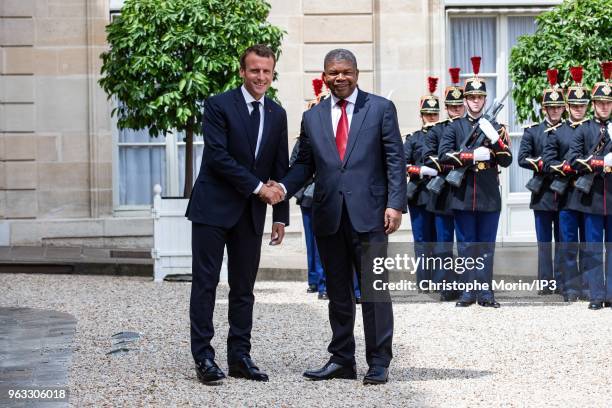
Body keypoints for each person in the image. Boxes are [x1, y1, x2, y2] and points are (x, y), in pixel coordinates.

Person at [276, 48, 406, 385]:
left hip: (372, 215)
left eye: (345, 71)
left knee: (374, 290)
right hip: (329, 216)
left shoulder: (379, 109)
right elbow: (304, 164)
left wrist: (395, 204)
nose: (340, 78)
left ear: (357, 73)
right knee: (337, 291)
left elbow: (395, 160)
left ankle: (379, 362)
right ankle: (342, 360)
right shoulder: (313, 117)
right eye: (333, 73)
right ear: (324, 76)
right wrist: (281, 189)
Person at [185, 44, 289, 384]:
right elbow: (218, 157)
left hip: (250, 214)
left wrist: (280, 215)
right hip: (212, 209)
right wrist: (260, 188)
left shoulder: (277, 113)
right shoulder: (218, 105)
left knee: (244, 288)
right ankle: (203, 357)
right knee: (206, 284)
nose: (261, 77)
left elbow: (279, 167)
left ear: (273, 74)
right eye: (254, 70)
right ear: (242, 72)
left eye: (266, 71)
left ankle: (239, 356)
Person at [438, 56, 513, 308]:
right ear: (465, 100)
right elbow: (443, 156)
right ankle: (469, 291)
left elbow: (506, 160)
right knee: (467, 246)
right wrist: (471, 155)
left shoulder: (497, 127)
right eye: (471, 97)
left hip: (489, 194)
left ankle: (486, 292)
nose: (475, 101)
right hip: (463, 193)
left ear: (484, 99)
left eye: (480, 97)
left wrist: (495, 140)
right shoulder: (455, 127)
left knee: (486, 247)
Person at [543, 65, 590, 301]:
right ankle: (571, 287)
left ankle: (588, 286)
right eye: (575, 106)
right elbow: (547, 162)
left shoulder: (595, 130)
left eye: (582, 106)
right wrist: (566, 167)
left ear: (587, 107)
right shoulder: (557, 132)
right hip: (567, 195)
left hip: (590, 195)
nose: (579, 109)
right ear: (568, 107)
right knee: (568, 244)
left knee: (588, 245)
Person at [567, 61, 612, 310]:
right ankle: (596, 295)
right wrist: (600, 162)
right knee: (594, 249)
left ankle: (611, 293)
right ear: (593, 105)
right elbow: (573, 161)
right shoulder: (584, 130)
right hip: (592, 198)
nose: (605, 106)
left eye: (608, 102)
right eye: (600, 103)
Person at [518, 69, 564, 296]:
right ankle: (546, 282)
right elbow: (521, 158)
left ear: (563, 108)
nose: (554, 111)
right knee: (544, 243)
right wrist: (539, 163)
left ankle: (564, 282)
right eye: (550, 107)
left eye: (558, 107)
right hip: (542, 192)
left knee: (564, 242)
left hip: (565, 193)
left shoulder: (570, 131)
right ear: (544, 109)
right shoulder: (533, 132)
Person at [422, 67, 465, 301]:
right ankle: (445, 284)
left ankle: (469, 283)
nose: (456, 110)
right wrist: (453, 162)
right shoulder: (437, 130)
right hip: (443, 194)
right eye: (452, 106)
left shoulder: (471, 128)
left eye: (459, 106)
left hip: (466, 193)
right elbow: (429, 157)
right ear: (446, 108)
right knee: (444, 244)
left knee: (467, 243)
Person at [405, 77, 440, 292]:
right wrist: (420, 170)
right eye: (428, 114)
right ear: (421, 115)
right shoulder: (413, 138)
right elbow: (402, 164)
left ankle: (438, 279)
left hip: (439, 193)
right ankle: (423, 280)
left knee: (438, 239)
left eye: (435, 113)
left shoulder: (445, 134)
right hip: (418, 192)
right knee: (421, 239)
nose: (431, 117)